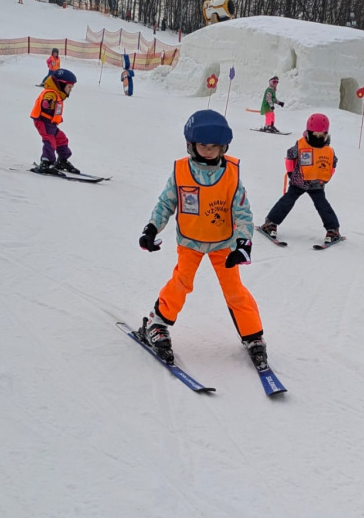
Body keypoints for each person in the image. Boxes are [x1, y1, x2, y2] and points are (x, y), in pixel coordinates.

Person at [137, 110, 269, 370]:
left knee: (234, 290)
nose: (209, 151)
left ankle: (253, 335)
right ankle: (157, 323)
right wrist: (151, 228)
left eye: (214, 147)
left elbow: (242, 212)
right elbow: (166, 203)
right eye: (203, 146)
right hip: (191, 242)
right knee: (182, 282)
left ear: (224, 147)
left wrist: (243, 244)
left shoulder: (231, 173)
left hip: (223, 243)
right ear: (191, 145)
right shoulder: (181, 171)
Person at [259, 113, 342, 243]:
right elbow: (290, 156)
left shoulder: (328, 150)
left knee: (323, 206)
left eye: (321, 136)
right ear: (308, 132)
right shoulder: (300, 145)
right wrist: (291, 172)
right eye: (315, 135)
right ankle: (270, 223)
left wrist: (326, 177)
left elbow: (333, 164)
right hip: (299, 181)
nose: (318, 138)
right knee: (287, 202)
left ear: (326, 134)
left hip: (317, 184)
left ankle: (333, 229)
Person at [30, 68, 79, 172]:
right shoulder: (51, 93)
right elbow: (47, 98)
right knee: (49, 139)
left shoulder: (57, 94)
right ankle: (46, 162)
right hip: (42, 121)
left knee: (61, 138)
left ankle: (62, 160)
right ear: (61, 84)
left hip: (50, 123)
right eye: (69, 87)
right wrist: (47, 102)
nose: (70, 90)